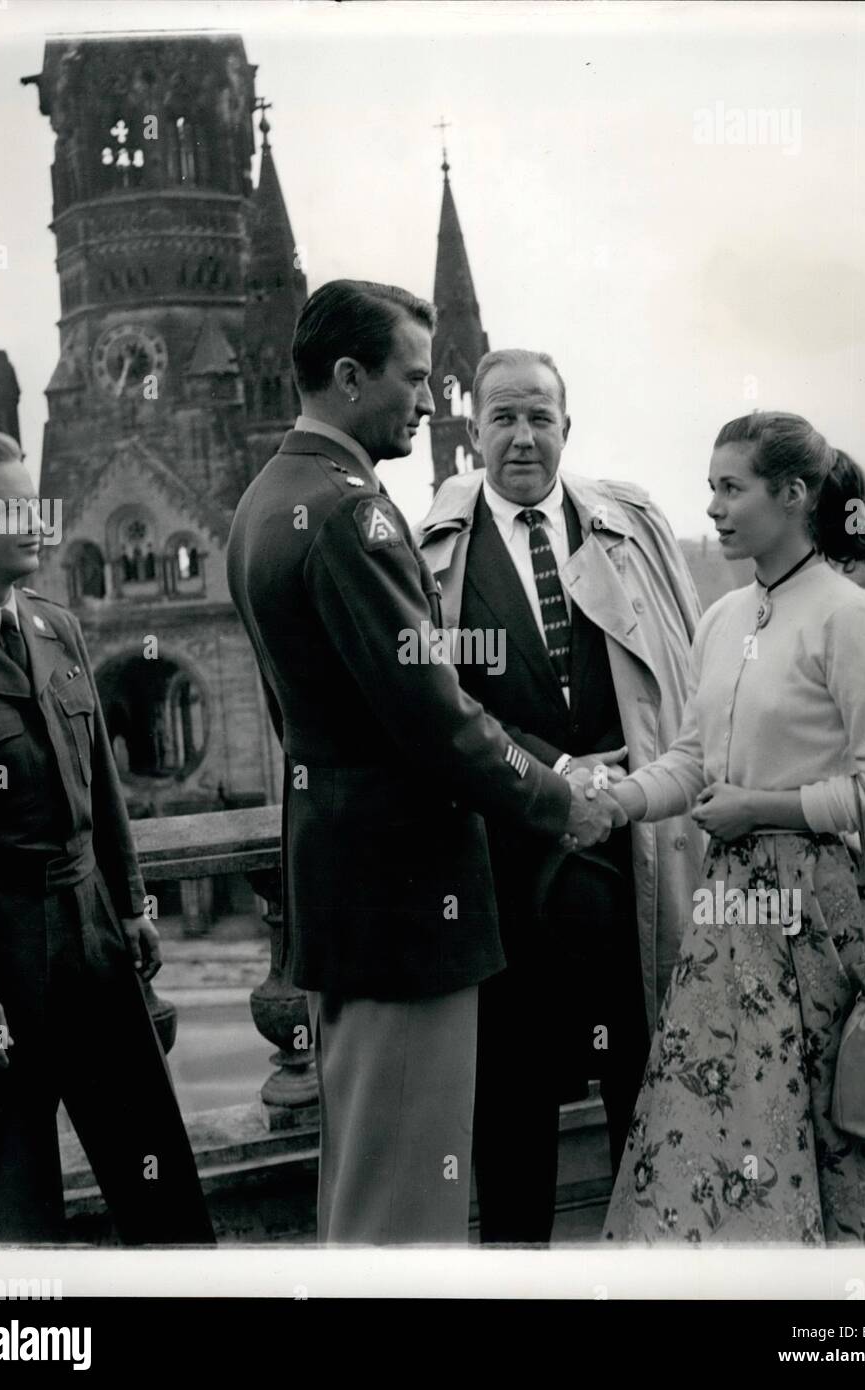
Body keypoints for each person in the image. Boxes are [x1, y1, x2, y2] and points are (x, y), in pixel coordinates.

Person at [226, 281, 620, 1245]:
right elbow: (436, 719)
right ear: (350, 377)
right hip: (407, 906)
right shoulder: (352, 517)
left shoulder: (266, 502)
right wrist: (558, 795)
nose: (426, 402)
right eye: (411, 380)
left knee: (366, 1180)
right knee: (408, 1201)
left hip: (345, 889)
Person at [602, 411, 865, 1244]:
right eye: (711, 489)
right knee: (723, 1121)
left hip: (824, 918)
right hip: (729, 926)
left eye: (733, 488)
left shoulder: (849, 616)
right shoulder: (722, 618)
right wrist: (614, 800)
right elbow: (692, 760)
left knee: (832, 1125)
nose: (715, 508)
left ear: (793, 495)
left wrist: (763, 808)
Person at [416, 348, 703, 1243]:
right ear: (472, 434)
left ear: (566, 429)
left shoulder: (629, 526)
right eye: (502, 417)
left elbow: (684, 673)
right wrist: (553, 772)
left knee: (648, 1084)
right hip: (507, 868)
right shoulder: (431, 555)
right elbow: (440, 708)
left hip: (630, 860)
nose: (522, 436)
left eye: (540, 416)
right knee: (510, 1106)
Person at [0, 431, 214, 1244]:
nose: (39, 518)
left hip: (93, 929)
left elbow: (100, 784)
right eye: (14, 506)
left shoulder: (57, 628)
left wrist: (130, 902)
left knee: (154, 1163)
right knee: (19, 1195)